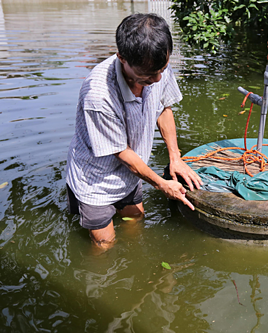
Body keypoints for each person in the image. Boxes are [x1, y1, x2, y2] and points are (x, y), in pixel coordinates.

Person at [66, 13, 202, 249]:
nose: (158, 78)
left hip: (132, 172)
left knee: (136, 220)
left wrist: (175, 158)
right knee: (104, 243)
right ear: (122, 58)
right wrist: (161, 184)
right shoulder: (98, 94)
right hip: (96, 179)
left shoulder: (157, 67)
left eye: (162, 69)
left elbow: (163, 109)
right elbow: (122, 153)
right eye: (148, 76)